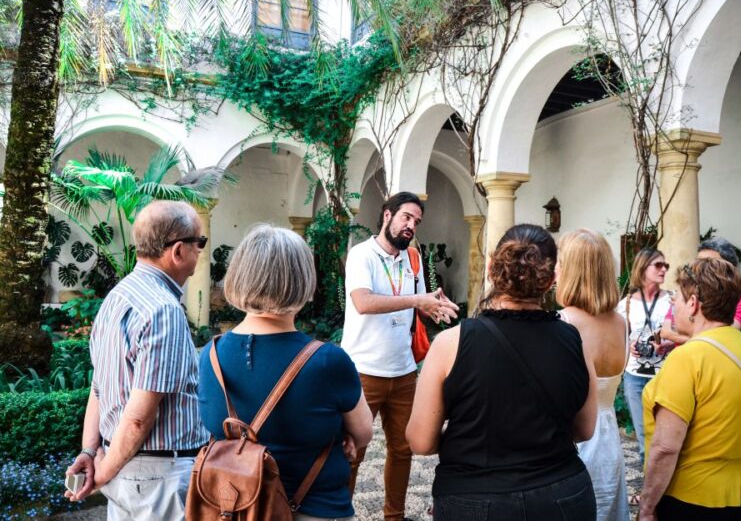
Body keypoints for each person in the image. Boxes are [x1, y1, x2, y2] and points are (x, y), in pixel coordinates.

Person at [406, 224, 598, 521]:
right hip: (562, 494)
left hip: (474, 499)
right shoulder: (573, 340)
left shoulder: (450, 343)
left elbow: (421, 441)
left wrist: (469, 432)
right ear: (550, 280)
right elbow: (584, 429)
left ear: (493, 270)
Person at [197, 224, 373, 521]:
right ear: (302, 280)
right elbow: (364, 432)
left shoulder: (210, 355)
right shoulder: (328, 361)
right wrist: (342, 434)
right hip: (314, 509)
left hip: (238, 510)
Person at [64, 200, 210, 519]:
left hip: (126, 468)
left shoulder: (115, 299)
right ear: (178, 251)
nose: (201, 251)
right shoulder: (164, 310)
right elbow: (138, 418)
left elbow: (98, 387)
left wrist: (90, 452)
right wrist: (99, 476)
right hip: (158, 477)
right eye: (200, 243)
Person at [342, 191, 459, 521]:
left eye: (417, 222)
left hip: (404, 371)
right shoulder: (361, 255)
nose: (411, 226)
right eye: (406, 217)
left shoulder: (413, 260)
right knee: (353, 452)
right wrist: (417, 301)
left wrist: (434, 306)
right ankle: (342, 514)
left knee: (403, 449)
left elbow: (418, 306)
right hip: (363, 369)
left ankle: (394, 516)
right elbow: (364, 302)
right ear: (387, 215)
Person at [640, 258, 741, 520]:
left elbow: (666, 447)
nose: (672, 304)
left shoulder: (688, 357)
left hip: (690, 497)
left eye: (676, 297)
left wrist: (646, 506)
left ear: (693, 303)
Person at [557, 229, 628, 521]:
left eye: (560, 262)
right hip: (609, 439)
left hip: (575, 438)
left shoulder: (565, 322)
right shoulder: (622, 322)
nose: (555, 269)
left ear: (573, 270)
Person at [616, 248, 673, 466]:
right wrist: (630, 345)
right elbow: (620, 338)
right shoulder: (626, 304)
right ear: (642, 268)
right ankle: (650, 489)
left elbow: (683, 334)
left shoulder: (672, 300)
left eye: (665, 265)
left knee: (667, 437)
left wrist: (669, 343)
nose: (663, 269)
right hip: (635, 376)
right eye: (658, 265)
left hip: (666, 375)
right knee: (644, 437)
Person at [661, 237, 741, 344]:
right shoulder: (686, 292)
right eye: (699, 261)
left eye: (710, 263)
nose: (701, 268)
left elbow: (722, 337)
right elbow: (665, 332)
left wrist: (674, 336)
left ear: (728, 267)